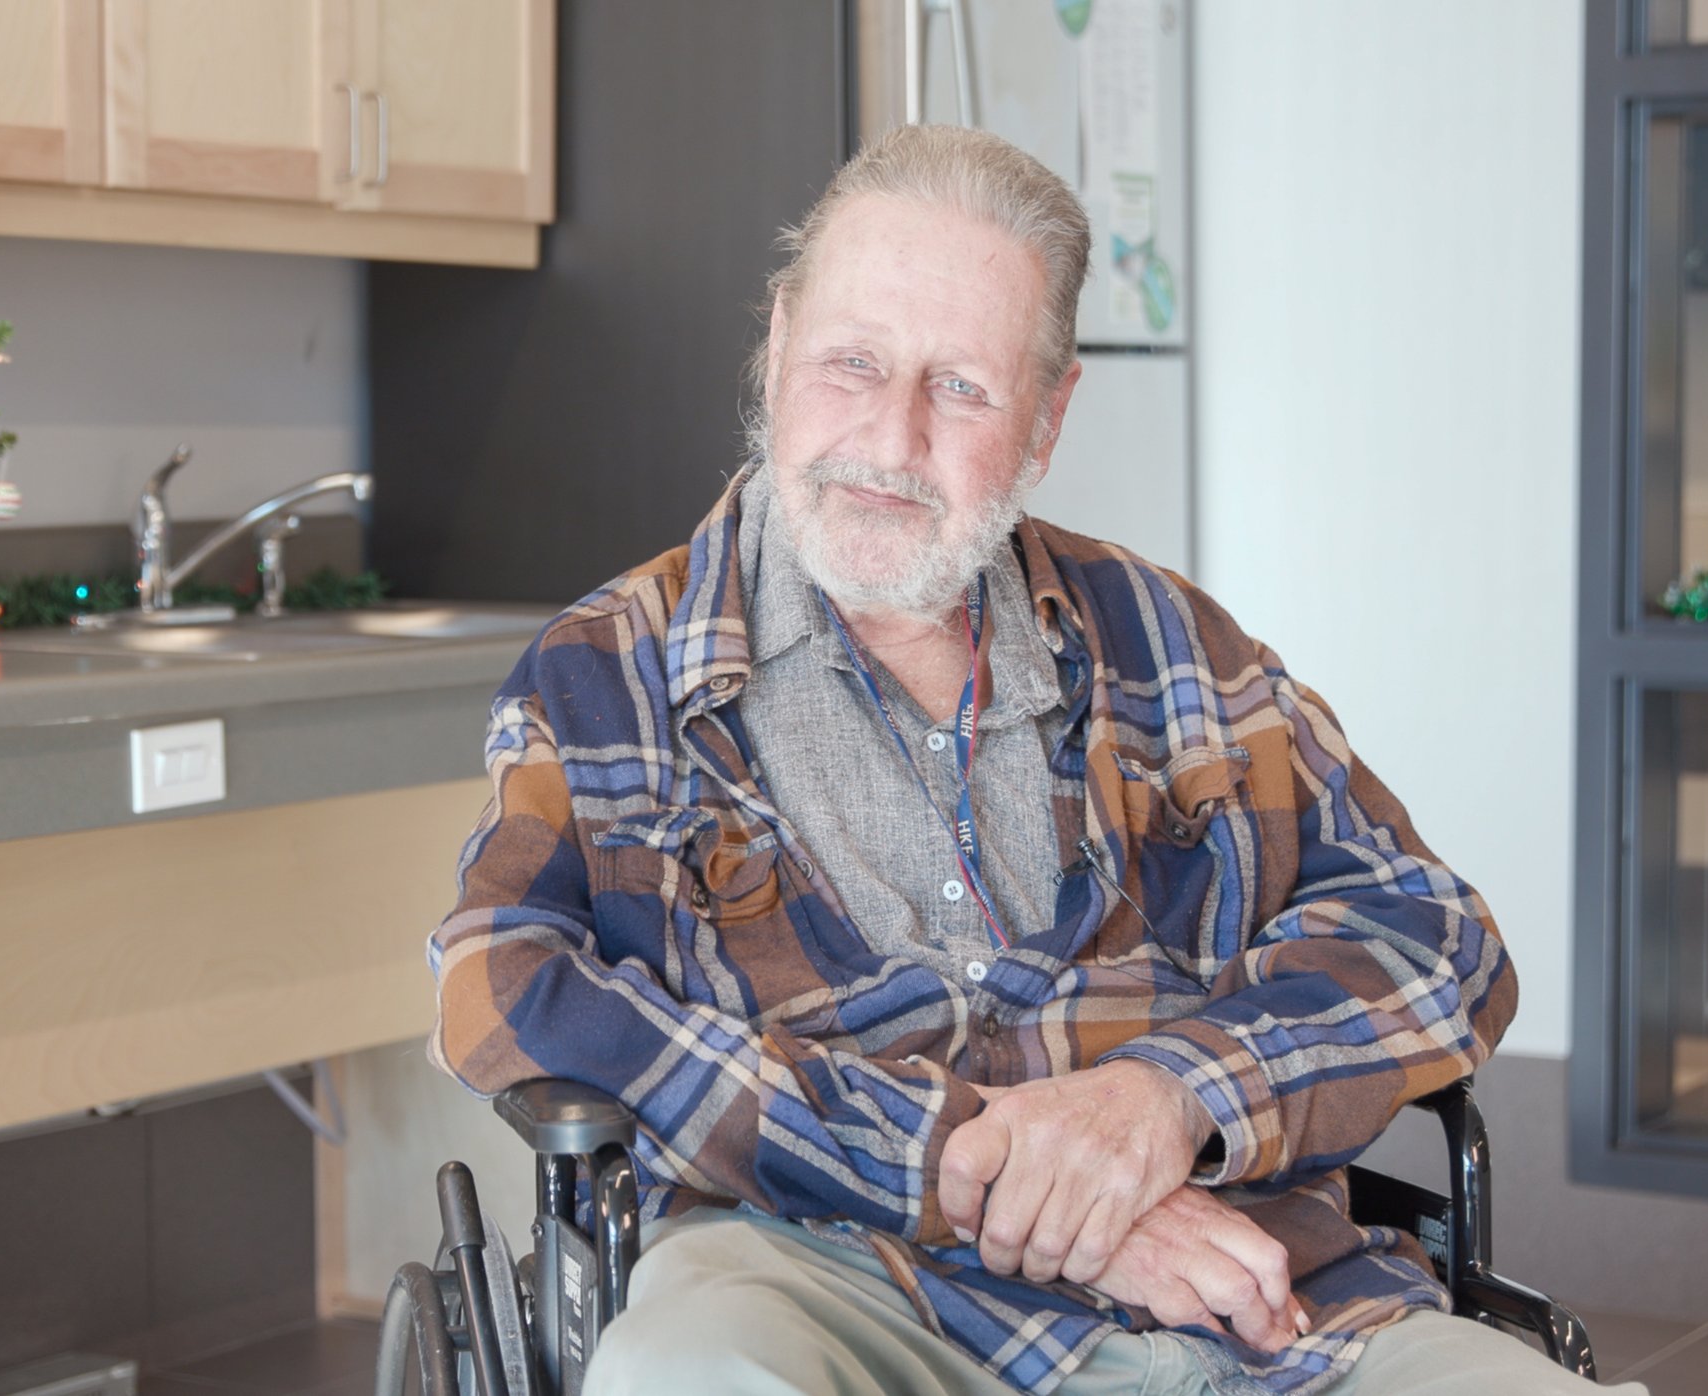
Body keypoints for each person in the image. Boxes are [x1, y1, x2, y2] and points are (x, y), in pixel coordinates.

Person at [427, 124, 1631, 1396]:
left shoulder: (1167, 640)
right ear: (777, 348)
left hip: (1250, 1304)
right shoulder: (610, 670)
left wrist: (1167, 1100)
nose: (889, 442)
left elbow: (1433, 933)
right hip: (823, 1276)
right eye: (851, 362)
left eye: (961, 388)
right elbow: (499, 981)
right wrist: (975, 1164)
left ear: (1049, 416)